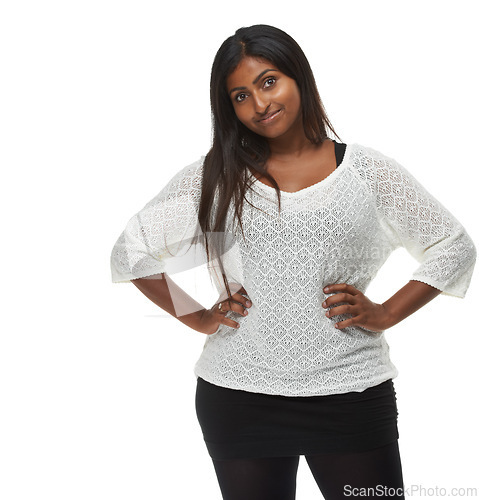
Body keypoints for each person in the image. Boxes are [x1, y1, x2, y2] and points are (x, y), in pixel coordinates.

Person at [110, 24, 476, 500]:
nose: (259, 104)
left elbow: (453, 244)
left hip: (350, 392)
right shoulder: (216, 175)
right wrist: (198, 317)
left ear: (299, 77)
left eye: (268, 82)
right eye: (240, 96)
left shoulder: (366, 171)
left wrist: (387, 313)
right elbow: (130, 251)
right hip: (238, 394)